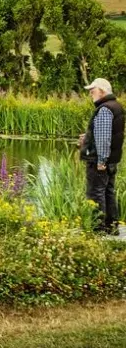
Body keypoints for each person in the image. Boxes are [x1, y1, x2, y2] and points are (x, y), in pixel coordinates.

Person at [79, 78, 124, 235]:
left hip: (100, 161)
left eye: (93, 90)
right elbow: (108, 134)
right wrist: (88, 137)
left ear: (103, 91)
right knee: (108, 192)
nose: (91, 93)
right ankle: (112, 229)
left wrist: (101, 161)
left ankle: (97, 231)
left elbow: (104, 138)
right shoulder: (116, 106)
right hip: (112, 160)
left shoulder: (104, 109)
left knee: (96, 193)